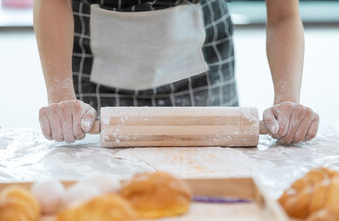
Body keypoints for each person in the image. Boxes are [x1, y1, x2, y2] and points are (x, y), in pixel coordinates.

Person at [34, 0, 319, 144]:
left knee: (213, 184)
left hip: (203, 68)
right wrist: (61, 97)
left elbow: (283, 14)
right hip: (95, 67)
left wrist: (286, 101)